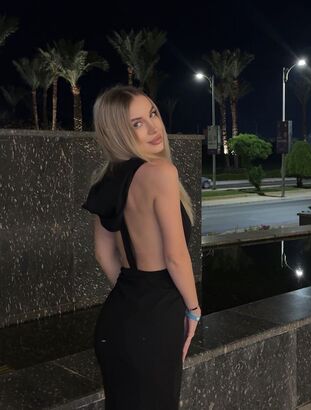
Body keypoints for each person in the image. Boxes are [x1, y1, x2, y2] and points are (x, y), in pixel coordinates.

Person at [81, 84, 201, 409]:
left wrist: (133, 294)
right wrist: (193, 310)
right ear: (117, 132)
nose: (153, 127)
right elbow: (176, 257)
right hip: (157, 319)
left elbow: (103, 253)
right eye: (137, 123)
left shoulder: (104, 179)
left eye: (152, 114)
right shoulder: (160, 172)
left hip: (117, 319)